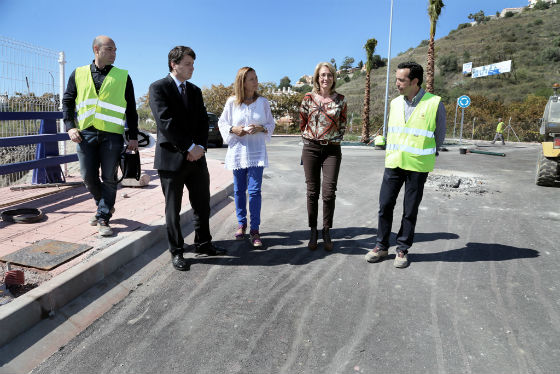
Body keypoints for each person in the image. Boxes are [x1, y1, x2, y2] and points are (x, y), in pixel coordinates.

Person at [149, 46, 225, 271]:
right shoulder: (158, 88)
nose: (192, 68)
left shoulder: (194, 90)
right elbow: (166, 122)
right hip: (171, 159)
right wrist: (189, 147)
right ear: (174, 64)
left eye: (193, 64)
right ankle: (177, 251)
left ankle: (203, 243)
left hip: (197, 158)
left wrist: (200, 146)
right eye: (188, 64)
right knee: (173, 209)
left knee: (202, 204)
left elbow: (203, 121)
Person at [364, 61, 446, 268]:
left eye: (401, 80)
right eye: (397, 79)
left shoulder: (434, 103)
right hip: (394, 162)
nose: (397, 84)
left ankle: (402, 249)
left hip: (418, 166)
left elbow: (440, 136)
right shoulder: (395, 103)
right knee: (385, 205)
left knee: (410, 210)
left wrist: (426, 153)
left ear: (415, 81)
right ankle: (381, 246)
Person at [63, 35, 139, 237]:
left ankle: (103, 218)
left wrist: (133, 136)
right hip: (85, 134)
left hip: (112, 135)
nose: (114, 53)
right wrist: (70, 126)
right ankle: (103, 207)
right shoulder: (78, 73)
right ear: (96, 50)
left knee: (109, 178)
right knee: (88, 177)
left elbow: (131, 109)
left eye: (115, 50)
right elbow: (68, 102)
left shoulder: (123, 76)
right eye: (110, 49)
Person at [218, 67, 275, 248]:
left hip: (256, 152)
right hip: (237, 152)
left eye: (256, 78)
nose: (255, 81)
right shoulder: (231, 102)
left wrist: (261, 128)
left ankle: (255, 229)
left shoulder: (263, 102)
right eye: (251, 79)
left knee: (255, 191)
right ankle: (242, 223)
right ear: (242, 82)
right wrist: (233, 129)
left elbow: (270, 123)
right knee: (238, 190)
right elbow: (223, 123)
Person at [299, 62, 347, 251]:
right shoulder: (308, 98)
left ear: (333, 78)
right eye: (322, 75)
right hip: (310, 148)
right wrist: (314, 137)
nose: (325, 78)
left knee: (328, 193)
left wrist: (330, 138)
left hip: (332, 150)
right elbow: (302, 122)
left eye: (328, 75)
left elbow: (342, 125)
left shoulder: (341, 100)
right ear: (317, 78)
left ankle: (326, 230)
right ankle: (313, 231)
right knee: (312, 192)